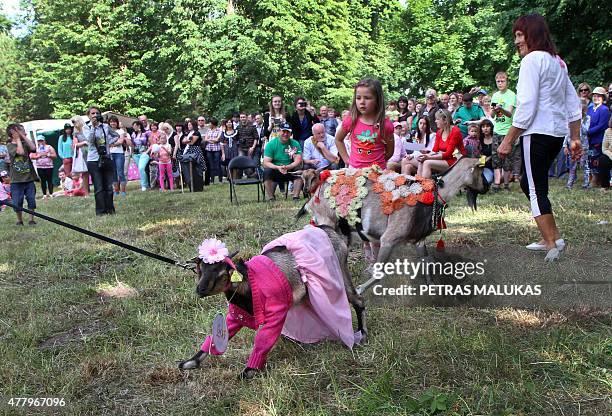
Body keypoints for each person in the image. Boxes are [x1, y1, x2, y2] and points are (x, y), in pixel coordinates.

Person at [497, 13, 582, 261]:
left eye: (519, 35)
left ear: (532, 35)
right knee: (529, 184)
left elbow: (526, 106)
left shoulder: (532, 61)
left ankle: (551, 243)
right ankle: (553, 236)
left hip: (536, 133)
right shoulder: (558, 62)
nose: (516, 41)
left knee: (535, 189)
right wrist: (574, 138)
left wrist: (507, 139)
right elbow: (573, 103)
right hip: (555, 134)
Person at [335, 78, 394, 170]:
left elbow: (390, 151)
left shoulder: (385, 125)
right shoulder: (351, 120)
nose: (362, 102)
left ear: (377, 100)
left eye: (367, 98)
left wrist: (379, 163)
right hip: (354, 170)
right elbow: (338, 139)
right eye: (358, 98)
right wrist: (347, 160)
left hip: (378, 172)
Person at [84, 106, 119, 215]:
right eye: (92, 113)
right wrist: (94, 127)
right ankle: (100, 211)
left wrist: (109, 143)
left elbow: (116, 135)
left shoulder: (105, 126)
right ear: (88, 115)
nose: (95, 115)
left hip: (107, 158)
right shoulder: (86, 127)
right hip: (93, 160)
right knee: (98, 187)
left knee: (108, 186)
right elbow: (89, 141)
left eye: (97, 113)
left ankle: (110, 209)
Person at [417, 109, 466, 178]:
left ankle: (426, 186)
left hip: (456, 159)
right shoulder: (439, 132)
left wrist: (428, 157)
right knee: (421, 161)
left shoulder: (455, 131)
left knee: (427, 163)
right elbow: (435, 150)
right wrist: (425, 156)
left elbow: (448, 154)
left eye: (437, 119)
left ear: (445, 120)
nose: (435, 121)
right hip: (445, 159)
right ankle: (418, 184)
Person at [6, 123, 38, 225]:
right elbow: (20, 152)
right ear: (14, 133)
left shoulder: (25, 143)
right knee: (17, 202)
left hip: (29, 179)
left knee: (31, 200)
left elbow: (33, 148)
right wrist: (18, 139)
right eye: (21, 131)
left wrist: (23, 136)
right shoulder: (10, 145)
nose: (24, 132)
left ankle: (31, 219)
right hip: (16, 180)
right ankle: (19, 220)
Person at [262, 123, 303, 200]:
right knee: (266, 172)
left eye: (288, 132)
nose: (285, 134)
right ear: (278, 131)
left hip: (290, 168)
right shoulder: (271, 144)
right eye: (283, 131)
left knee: (299, 170)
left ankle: (296, 197)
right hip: (275, 169)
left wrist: (288, 167)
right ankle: (271, 198)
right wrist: (278, 167)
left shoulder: (295, 143)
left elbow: (298, 160)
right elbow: (266, 162)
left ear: (291, 133)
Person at [491, 70, 519, 184]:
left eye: (502, 81)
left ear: (507, 81)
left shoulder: (512, 95)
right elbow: (492, 115)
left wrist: (501, 109)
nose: (500, 83)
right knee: (496, 158)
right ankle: (497, 183)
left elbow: (509, 113)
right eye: (498, 81)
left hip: (507, 131)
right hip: (497, 129)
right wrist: (495, 110)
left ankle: (506, 183)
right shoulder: (495, 95)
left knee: (507, 158)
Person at [586, 87, 610, 187]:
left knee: (598, 160)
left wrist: (588, 132)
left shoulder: (604, 109)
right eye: (594, 96)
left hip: (599, 139)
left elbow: (602, 125)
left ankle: (599, 180)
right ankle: (594, 178)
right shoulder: (590, 109)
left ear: (603, 98)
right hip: (589, 139)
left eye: (599, 96)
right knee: (590, 159)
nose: (596, 97)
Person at [564, 98, 590, 189]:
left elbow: (586, 130)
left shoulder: (587, 118)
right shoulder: (571, 119)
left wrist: (580, 121)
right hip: (572, 145)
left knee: (584, 164)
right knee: (572, 165)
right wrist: (565, 145)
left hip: (583, 146)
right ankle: (569, 184)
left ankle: (586, 183)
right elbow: (567, 132)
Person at [107, 115, 128, 196]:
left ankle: (123, 191)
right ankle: (116, 191)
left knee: (120, 172)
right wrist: (113, 144)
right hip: (110, 154)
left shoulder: (121, 131)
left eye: (114, 122)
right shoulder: (106, 131)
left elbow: (121, 141)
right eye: (111, 122)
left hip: (119, 153)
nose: (113, 123)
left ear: (117, 123)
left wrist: (112, 144)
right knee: (113, 173)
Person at [32, 135, 57, 200]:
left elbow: (55, 155)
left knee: (49, 180)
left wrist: (49, 155)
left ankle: (51, 193)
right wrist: (38, 156)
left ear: (44, 140)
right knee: (43, 181)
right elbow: (32, 156)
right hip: (40, 166)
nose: (40, 142)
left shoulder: (49, 147)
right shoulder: (36, 148)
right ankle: (44, 195)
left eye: (41, 140)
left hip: (49, 166)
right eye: (39, 141)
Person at [71, 116, 90, 194]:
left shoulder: (87, 129)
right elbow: (74, 145)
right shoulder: (75, 133)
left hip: (91, 152)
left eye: (75, 122)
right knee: (85, 174)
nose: (74, 125)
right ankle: (86, 193)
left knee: (95, 172)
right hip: (83, 154)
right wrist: (84, 143)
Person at [131, 120, 150, 191]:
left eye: (135, 126)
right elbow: (132, 144)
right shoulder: (133, 134)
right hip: (136, 154)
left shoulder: (146, 133)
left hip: (144, 153)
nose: (134, 128)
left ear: (139, 126)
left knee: (141, 168)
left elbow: (151, 143)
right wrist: (131, 153)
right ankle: (146, 184)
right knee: (140, 170)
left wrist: (147, 151)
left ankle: (144, 185)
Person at [204, 118, 223, 184]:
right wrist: (211, 140)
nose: (209, 124)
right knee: (211, 165)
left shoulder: (219, 130)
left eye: (210, 123)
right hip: (209, 149)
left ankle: (220, 180)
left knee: (218, 164)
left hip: (216, 149)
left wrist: (210, 139)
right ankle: (212, 180)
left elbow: (217, 139)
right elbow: (205, 139)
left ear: (213, 124)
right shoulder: (208, 130)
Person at [598, 116, 612, 189]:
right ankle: (605, 185)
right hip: (610, 155)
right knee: (603, 160)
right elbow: (604, 148)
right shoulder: (608, 131)